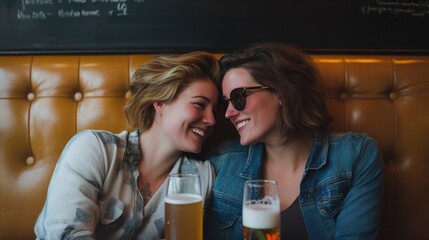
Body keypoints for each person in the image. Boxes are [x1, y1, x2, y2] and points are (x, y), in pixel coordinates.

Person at [203, 43, 384, 240]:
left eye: (238, 97)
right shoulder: (221, 161)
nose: (229, 113)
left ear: (281, 92)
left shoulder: (355, 155)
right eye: (226, 103)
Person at [34, 51, 221, 239]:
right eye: (199, 104)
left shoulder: (202, 177)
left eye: (215, 110)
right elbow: (66, 235)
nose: (212, 120)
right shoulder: (96, 149)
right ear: (160, 103)